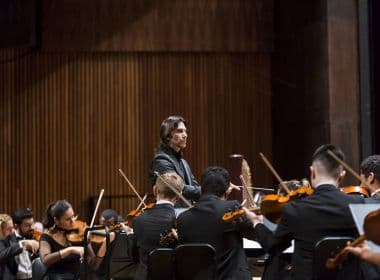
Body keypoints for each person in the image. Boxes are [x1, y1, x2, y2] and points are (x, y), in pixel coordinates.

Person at [244, 144, 365, 280]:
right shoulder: (358, 204)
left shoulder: (295, 209)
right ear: (342, 175)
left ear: (312, 172)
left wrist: (256, 222)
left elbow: (272, 246)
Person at [177, 166, 257, 280]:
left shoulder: (183, 218)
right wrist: (256, 220)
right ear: (227, 189)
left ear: (201, 189)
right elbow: (255, 234)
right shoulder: (231, 207)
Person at [132, 172, 184, 280]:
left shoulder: (138, 220)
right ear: (179, 195)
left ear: (155, 190)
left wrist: (129, 236)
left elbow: (134, 257)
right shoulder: (181, 221)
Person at [39, 200, 108, 280]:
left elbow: (94, 266)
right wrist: (70, 250)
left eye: (73, 216)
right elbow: (45, 260)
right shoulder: (47, 237)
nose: (73, 221)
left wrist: (103, 247)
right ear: (56, 220)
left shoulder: (80, 234)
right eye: (68, 219)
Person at [149, 115, 200, 207]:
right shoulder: (161, 160)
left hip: (186, 213)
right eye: (180, 131)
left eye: (185, 131)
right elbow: (176, 187)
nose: (185, 135)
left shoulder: (183, 162)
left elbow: (194, 186)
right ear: (167, 136)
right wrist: (206, 191)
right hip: (172, 213)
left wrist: (214, 189)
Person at [0, 208, 39, 279]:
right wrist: (21, 244)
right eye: (27, 225)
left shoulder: (34, 236)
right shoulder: (5, 240)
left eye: (32, 224)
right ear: (16, 226)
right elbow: (1, 256)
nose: (31, 228)